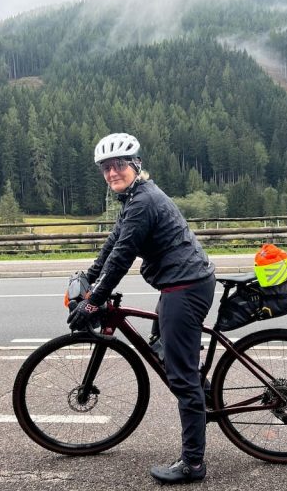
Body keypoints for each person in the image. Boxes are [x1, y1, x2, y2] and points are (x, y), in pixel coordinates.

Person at [66, 132, 215, 484]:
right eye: (105, 168)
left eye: (118, 165)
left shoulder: (144, 201)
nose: (111, 173)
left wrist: (93, 302)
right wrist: (89, 276)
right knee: (161, 345)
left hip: (185, 287)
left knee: (181, 377)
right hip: (180, 283)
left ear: (135, 165)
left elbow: (122, 258)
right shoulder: (133, 199)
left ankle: (193, 464)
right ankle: (204, 392)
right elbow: (113, 244)